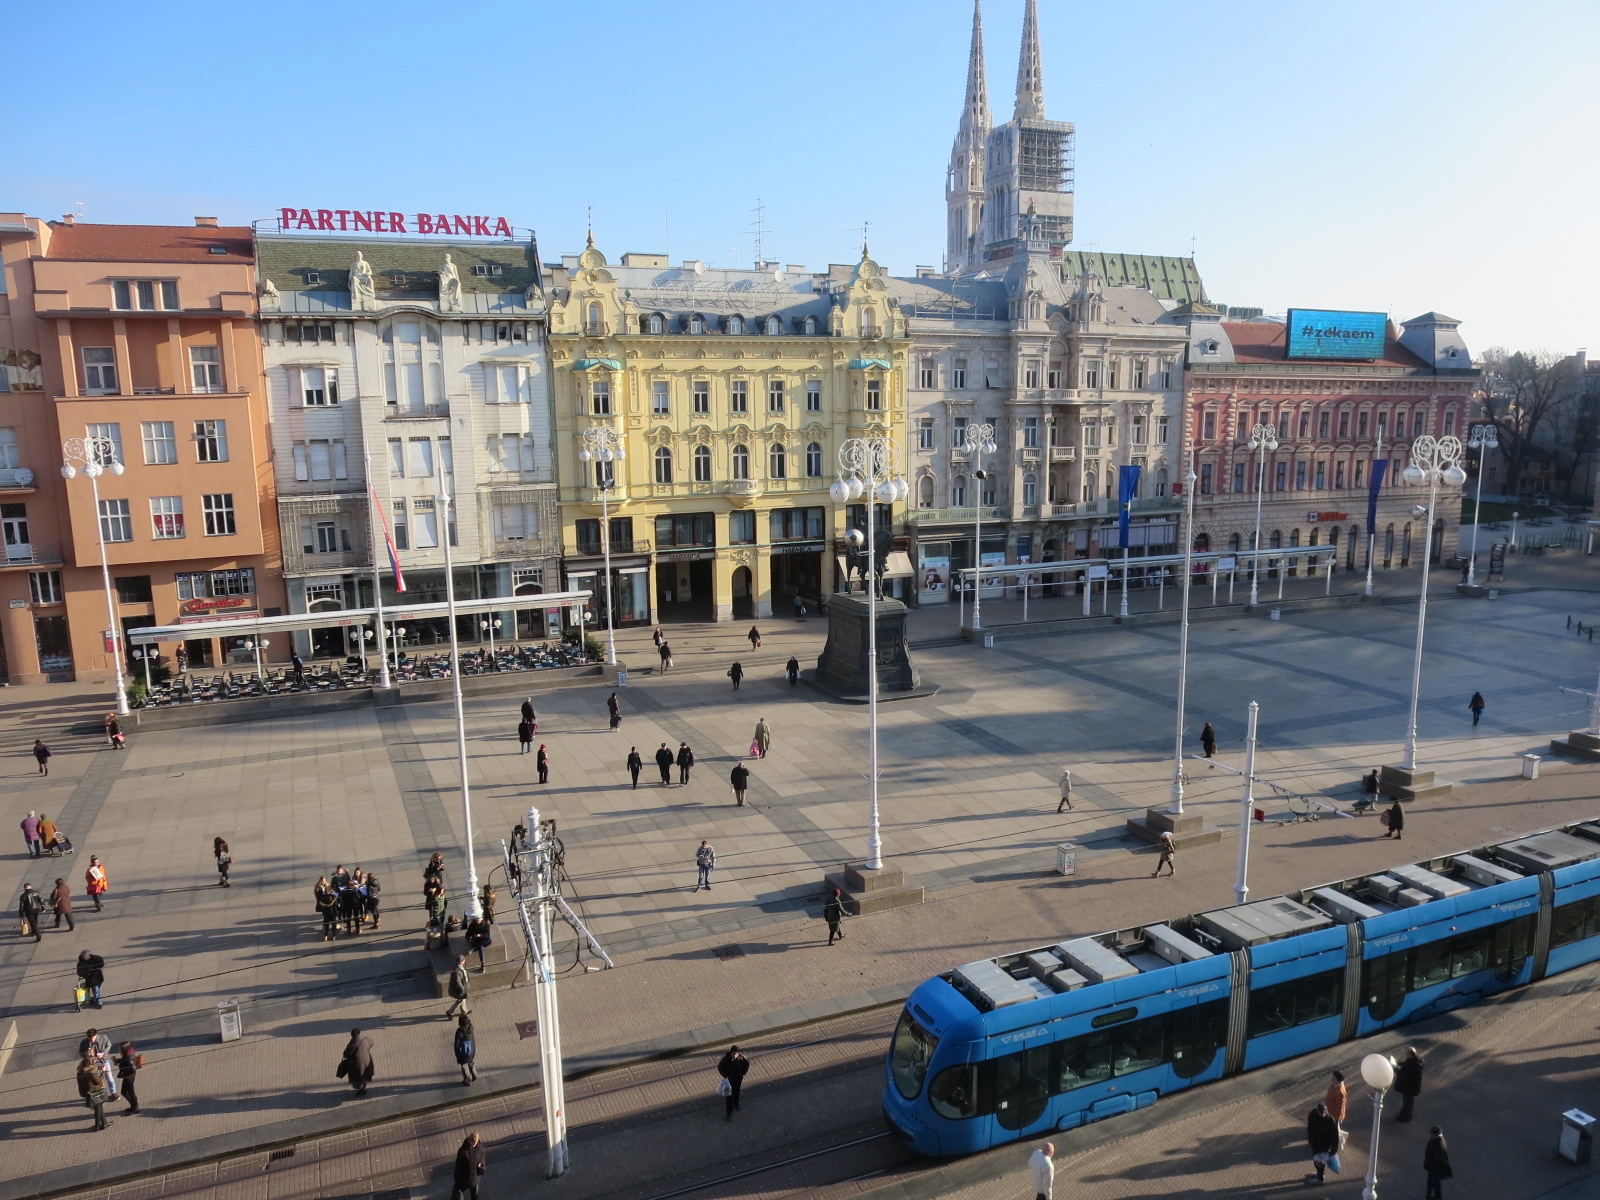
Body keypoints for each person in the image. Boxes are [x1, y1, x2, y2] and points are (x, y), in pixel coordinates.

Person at [1306, 1100, 1340, 1183]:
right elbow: (1310, 1126)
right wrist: (1310, 1138)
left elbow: (1335, 1135)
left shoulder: (1330, 1120)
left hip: (1325, 1144)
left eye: (1324, 1112)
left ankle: (1320, 1178)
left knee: (1319, 1161)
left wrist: (1334, 1147)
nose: (1323, 1114)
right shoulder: (1313, 1115)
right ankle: (1319, 1174)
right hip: (1315, 1142)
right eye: (1321, 1113)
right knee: (1317, 1160)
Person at [77, 1052, 111, 1131]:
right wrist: (103, 1071)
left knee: (99, 1107)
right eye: (94, 1061)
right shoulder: (91, 1072)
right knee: (98, 1108)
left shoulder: (81, 1070)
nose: (95, 1062)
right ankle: (97, 1126)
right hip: (95, 1091)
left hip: (87, 1092)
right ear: (91, 1063)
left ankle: (104, 1122)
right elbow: (98, 1081)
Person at [716, 1045, 749, 1120]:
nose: (734, 1055)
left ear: (738, 1053)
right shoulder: (726, 1059)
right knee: (729, 1095)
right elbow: (720, 1067)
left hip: (738, 1078)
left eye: (736, 1054)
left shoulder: (742, 1058)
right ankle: (729, 1112)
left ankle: (736, 1104)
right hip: (729, 1079)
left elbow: (746, 1065)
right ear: (731, 1053)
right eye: (733, 1054)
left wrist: (742, 1073)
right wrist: (725, 1075)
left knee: (737, 1091)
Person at [340, 1028, 375, 1096]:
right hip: (367, 1061)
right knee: (365, 1074)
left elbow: (346, 1054)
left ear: (352, 1035)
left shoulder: (351, 1044)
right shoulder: (365, 1039)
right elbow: (372, 1042)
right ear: (359, 1033)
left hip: (356, 1064)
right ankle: (364, 1088)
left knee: (358, 1076)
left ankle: (359, 1087)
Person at [452, 1132, 486, 1200]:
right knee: (459, 1190)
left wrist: (481, 1166)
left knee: (474, 1194)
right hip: (466, 1178)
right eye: (473, 1142)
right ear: (470, 1140)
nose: (474, 1144)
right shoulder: (463, 1151)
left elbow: (482, 1157)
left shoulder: (479, 1147)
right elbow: (458, 1165)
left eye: (475, 1142)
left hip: (475, 1176)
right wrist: (457, 1178)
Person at [1394, 1046, 1424, 1122]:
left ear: (1410, 1054)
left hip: (1409, 1087)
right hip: (1413, 1087)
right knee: (1409, 1101)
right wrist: (1400, 1063)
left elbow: (1403, 1074)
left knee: (1407, 1102)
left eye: (1406, 1053)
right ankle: (1407, 1114)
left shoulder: (1411, 1066)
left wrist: (1395, 1069)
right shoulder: (1417, 1060)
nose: (1405, 1054)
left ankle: (1405, 1117)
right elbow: (1406, 1064)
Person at [1423, 1126, 1452, 1198]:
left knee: (1433, 1183)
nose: (1430, 1134)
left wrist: (1429, 1165)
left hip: (1435, 1169)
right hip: (1434, 1168)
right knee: (1435, 1184)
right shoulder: (1436, 1141)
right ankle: (1434, 1196)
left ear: (1436, 1135)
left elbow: (1438, 1160)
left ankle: (1431, 1197)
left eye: (1432, 1133)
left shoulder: (1439, 1145)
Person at [116, 1041, 141, 1114]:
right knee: (125, 1092)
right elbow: (124, 1060)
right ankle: (133, 1106)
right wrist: (118, 1061)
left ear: (125, 1049)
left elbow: (132, 1069)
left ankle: (135, 1107)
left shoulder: (128, 1057)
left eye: (121, 1049)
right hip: (127, 1076)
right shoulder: (129, 1053)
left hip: (129, 1077)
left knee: (130, 1092)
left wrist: (123, 1071)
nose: (120, 1050)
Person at [453, 1015, 478, 1085]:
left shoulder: (459, 1032)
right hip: (471, 1051)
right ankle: (474, 1074)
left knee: (464, 1066)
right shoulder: (471, 1028)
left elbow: (456, 1044)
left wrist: (457, 1054)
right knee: (471, 1062)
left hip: (463, 1053)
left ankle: (467, 1080)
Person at [1325, 1069, 1347, 1139]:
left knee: (1333, 1130)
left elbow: (1340, 1107)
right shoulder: (1334, 1086)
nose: (1332, 1080)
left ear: (1337, 1080)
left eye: (1333, 1079)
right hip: (1330, 1112)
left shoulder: (1340, 1092)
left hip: (1334, 1116)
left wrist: (1336, 1118)